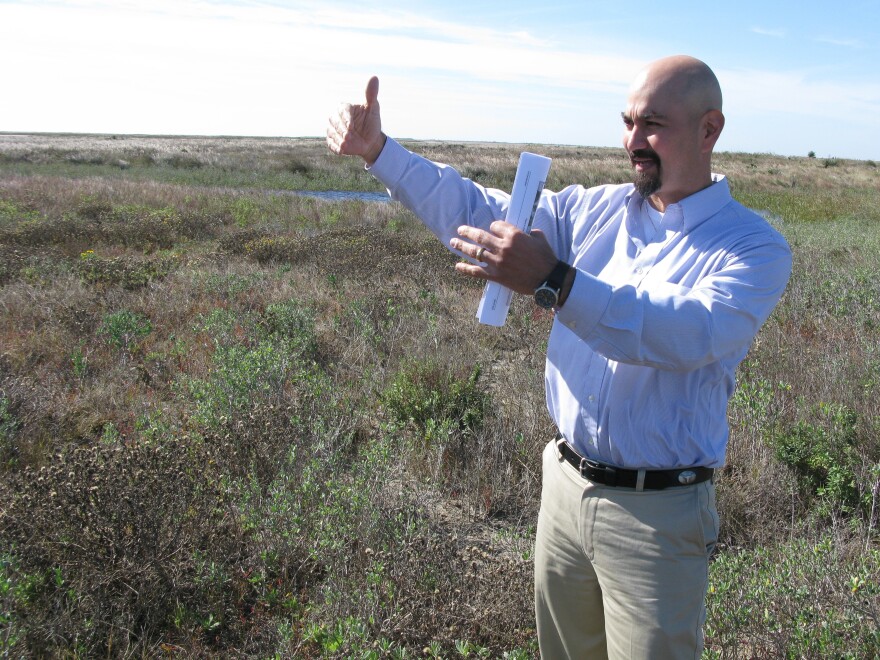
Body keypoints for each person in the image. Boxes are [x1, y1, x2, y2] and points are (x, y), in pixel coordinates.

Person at [326, 55, 791, 659]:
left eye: (653, 124)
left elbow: (687, 334)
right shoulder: (593, 210)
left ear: (710, 130)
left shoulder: (752, 245)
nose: (633, 142)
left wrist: (557, 282)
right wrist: (381, 152)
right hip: (564, 490)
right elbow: (485, 218)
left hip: (657, 518)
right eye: (627, 122)